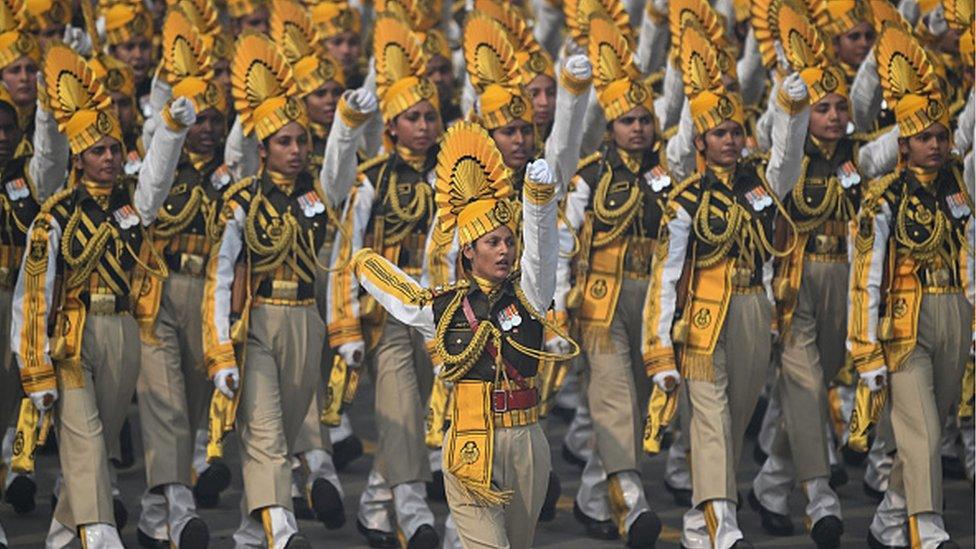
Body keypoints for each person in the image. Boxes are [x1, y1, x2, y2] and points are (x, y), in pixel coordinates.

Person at [344, 120, 572, 549]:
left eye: (508, 241)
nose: (504, 250)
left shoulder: (530, 298)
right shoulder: (447, 307)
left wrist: (539, 204)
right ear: (468, 250)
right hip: (469, 439)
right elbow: (404, 297)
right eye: (492, 243)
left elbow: (542, 257)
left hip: (526, 438)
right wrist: (363, 260)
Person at [11, 44, 193, 548]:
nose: (110, 159)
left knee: (95, 445)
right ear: (78, 157)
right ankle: (100, 535)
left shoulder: (131, 208)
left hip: (124, 333)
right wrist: (35, 370)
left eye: (115, 150)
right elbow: (32, 299)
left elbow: (155, 179)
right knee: (87, 443)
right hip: (73, 338)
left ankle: (63, 537)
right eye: (99, 151)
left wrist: (171, 132)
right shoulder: (55, 216)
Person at [640, 20, 807, 547]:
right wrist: (660, 349)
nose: (731, 140)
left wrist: (792, 112)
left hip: (753, 309)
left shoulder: (762, 188)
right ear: (702, 142)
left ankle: (700, 520)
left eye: (736, 132)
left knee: (732, 424)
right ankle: (723, 523)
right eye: (720, 134)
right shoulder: (685, 200)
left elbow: (787, 159)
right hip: (702, 318)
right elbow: (665, 279)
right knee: (709, 418)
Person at [202, 33, 350, 548]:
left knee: (281, 433)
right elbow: (221, 278)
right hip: (258, 323)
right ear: (262, 150)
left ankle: (250, 532)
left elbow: (341, 173)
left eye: (301, 141)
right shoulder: (242, 202)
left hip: (306, 321)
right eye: (283, 142)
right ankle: (282, 530)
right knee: (263, 429)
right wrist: (220, 351)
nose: (294, 150)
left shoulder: (317, 196)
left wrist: (348, 126)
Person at [848, 23, 973, 549]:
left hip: (953, 319)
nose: (937, 145)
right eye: (925, 138)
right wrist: (864, 350)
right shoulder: (884, 196)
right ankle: (926, 528)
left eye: (943, 136)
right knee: (920, 429)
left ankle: (888, 521)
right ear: (903, 143)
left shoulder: (959, 188)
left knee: (926, 430)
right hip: (903, 325)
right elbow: (866, 278)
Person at [328, 15, 443, 548]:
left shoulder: (453, 175)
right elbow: (346, 255)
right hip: (388, 315)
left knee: (414, 411)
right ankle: (413, 510)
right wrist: (345, 327)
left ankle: (376, 506)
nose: (423, 126)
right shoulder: (371, 178)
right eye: (412, 118)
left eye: (429, 116)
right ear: (391, 127)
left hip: (440, 313)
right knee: (397, 404)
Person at [556, 14, 666, 547]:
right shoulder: (589, 177)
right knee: (615, 401)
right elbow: (560, 245)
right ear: (610, 127)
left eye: (645, 119)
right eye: (627, 120)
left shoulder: (668, 175)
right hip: (599, 304)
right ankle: (630, 498)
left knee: (633, 406)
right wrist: (558, 307)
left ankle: (592, 499)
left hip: (650, 305)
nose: (638, 128)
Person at [132, 9, 229, 548]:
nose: (208, 129)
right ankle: (181, 503)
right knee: (165, 401)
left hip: (208, 296)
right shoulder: (156, 164)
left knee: (190, 405)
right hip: (157, 292)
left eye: (216, 119)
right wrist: (169, 121)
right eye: (199, 119)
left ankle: (153, 514)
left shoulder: (228, 173)